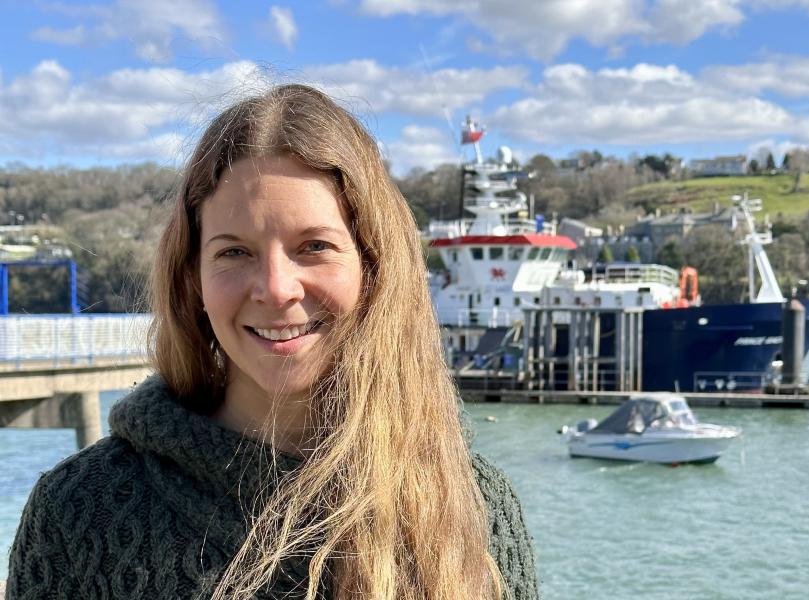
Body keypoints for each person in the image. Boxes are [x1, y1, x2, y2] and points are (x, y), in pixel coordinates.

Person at [6, 85, 538, 599]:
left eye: (314, 246)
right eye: (234, 252)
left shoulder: (475, 505)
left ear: (375, 267)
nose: (276, 289)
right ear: (192, 277)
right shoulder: (79, 512)